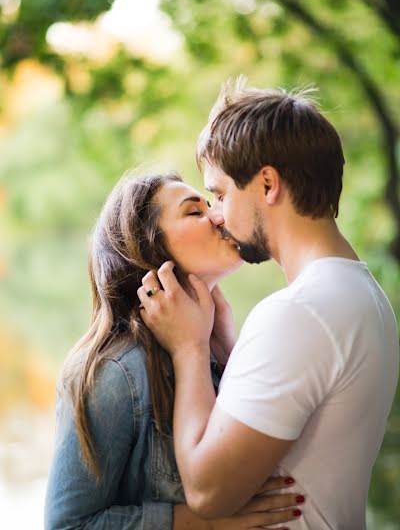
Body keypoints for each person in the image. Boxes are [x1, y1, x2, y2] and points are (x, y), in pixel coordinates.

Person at [138, 79, 399, 529]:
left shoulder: (299, 313)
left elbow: (206, 491)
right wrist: (228, 347)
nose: (216, 214)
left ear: (267, 184)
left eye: (220, 194)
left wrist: (189, 350)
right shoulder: (363, 294)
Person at [44, 170, 305, 530]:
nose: (217, 215)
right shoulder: (116, 373)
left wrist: (224, 350)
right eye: (195, 212)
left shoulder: (217, 343)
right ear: (151, 249)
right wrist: (204, 523)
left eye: (211, 204)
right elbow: (67, 525)